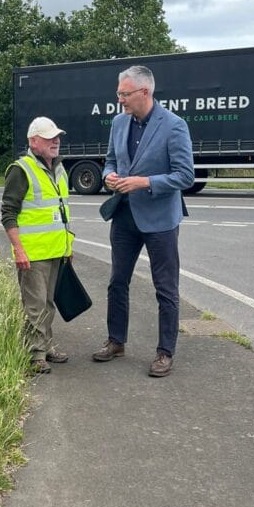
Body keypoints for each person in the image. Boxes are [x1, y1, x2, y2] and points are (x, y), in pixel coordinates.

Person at [92, 65, 194, 377]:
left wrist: (143, 182)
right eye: (118, 93)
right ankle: (116, 341)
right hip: (124, 215)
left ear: (144, 92)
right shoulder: (119, 122)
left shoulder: (174, 126)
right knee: (116, 281)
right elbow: (111, 159)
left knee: (165, 287)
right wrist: (110, 174)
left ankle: (165, 352)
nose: (119, 99)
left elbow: (184, 176)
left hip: (160, 219)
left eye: (124, 94)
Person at [1, 117, 73, 374]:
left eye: (57, 137)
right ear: (34, 141)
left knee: (49, 302)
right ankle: (35, 354)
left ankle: (45, 345)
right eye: (49, 137)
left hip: (56, 250)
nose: (56, 141)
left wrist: (67, 247)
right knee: (35, 305)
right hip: (32, 253)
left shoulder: (59, 168)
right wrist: (19, 249)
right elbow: (8, 213)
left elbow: (61, 211)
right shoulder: (21, 170)